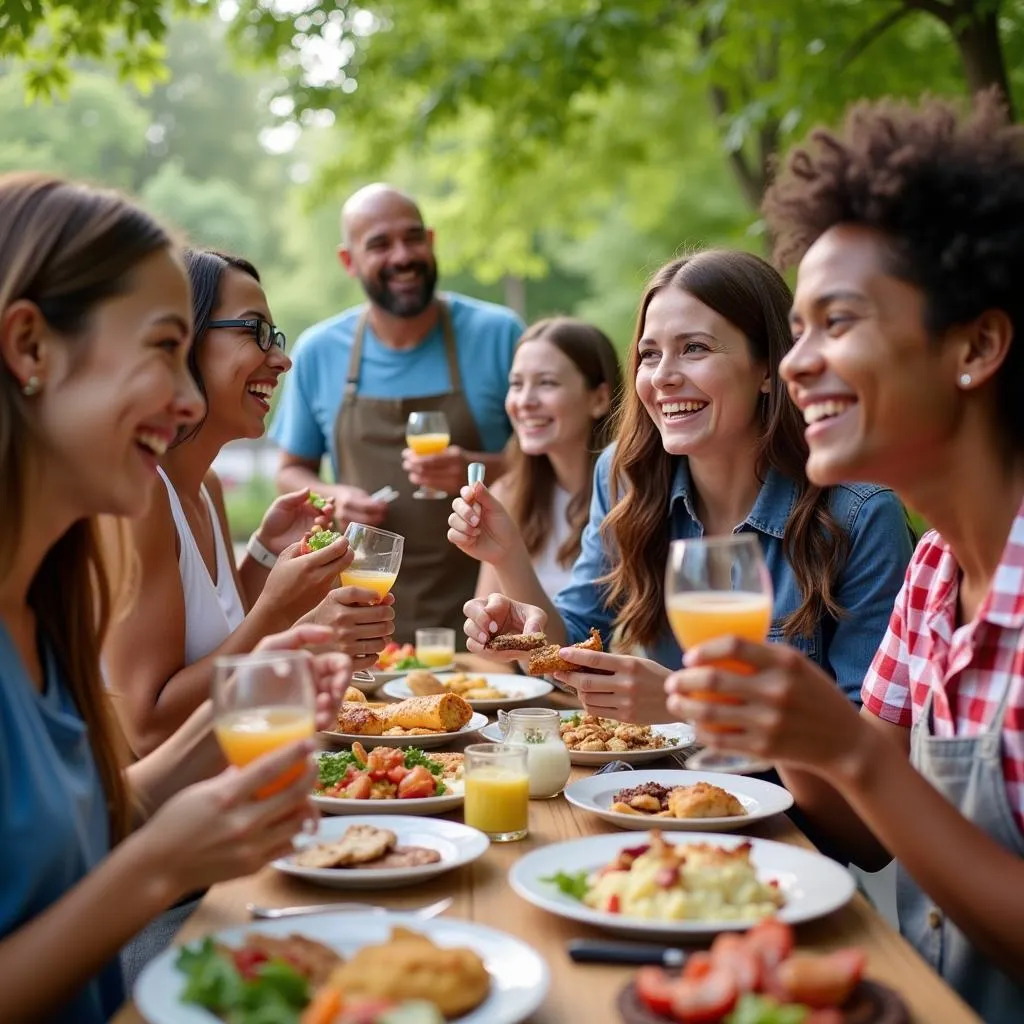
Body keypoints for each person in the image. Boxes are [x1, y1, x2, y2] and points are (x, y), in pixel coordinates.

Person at [663, 93, 1024, 1020]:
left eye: (839, 322)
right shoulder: (936, 571)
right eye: (799, 331)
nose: (795, 364)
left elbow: (873, 786)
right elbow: (862, 841)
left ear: (976, 345)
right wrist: (797, 730)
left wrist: (849, 750)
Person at [0, 173, 353, 1022]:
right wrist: (157, 867)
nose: (188, 400)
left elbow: (105, 816)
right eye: (165, 348)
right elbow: (129, 849)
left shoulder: (52, 597)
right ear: (30, 347)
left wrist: (255, 686)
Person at [453, 249, 915, 726]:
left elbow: (869, 741)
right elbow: (569, 651)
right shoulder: (627, 476)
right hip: (650, 792)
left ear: (767, 368)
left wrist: (684, 706)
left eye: (695, 348)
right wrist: (507, 559)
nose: (663, 377)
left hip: (788, 800)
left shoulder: (858, 513)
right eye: (650, 354)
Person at [103, 249, 395, 758]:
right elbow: (146, 728)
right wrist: (293, 624)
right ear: (183, 339)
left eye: (275, 338)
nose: (281, 359)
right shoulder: (142, 495)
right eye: (254, 331)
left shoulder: (206, 486)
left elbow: (213, 634)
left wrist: (264, 553)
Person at [271, 183, 524, 640]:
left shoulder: (498, 335)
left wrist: (480, 470)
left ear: (431, 241)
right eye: (380, 244)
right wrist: (332, 495)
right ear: (349, 261)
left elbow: (557, 462)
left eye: (412, 238)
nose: (402, 256)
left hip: (490, 616)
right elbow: (290, 471)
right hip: (362, 615)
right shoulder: (319, 351)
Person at [474, 317, 622, 600]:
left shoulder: (629, 494)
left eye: (547, 383)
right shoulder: (507, 495)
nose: (525, 401)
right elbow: (484, 622)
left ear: (599, 399)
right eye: (516, 384)